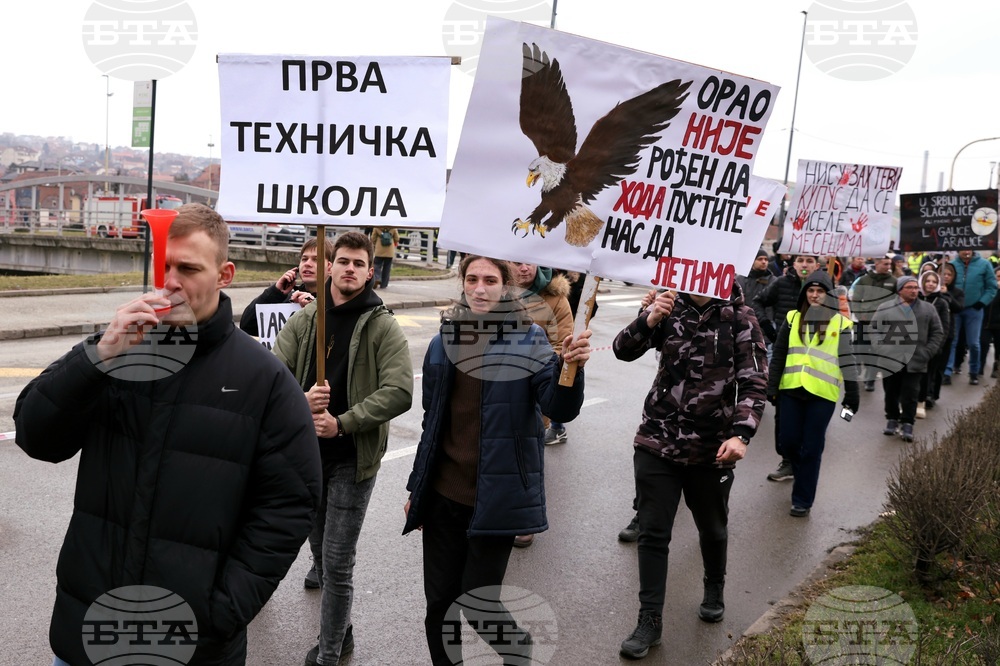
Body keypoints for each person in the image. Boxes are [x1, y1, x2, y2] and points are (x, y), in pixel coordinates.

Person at [13, 203, 322, 665]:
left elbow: (289, 504)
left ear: (226, 274)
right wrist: (97, 357)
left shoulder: (265, 381)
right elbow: (36, 436)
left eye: (189, 268)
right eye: (167, 267)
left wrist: (219, 611)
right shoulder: (118, 351)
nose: (172, 281)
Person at [403, 255, 591, 666]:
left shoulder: (531, 339)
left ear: (506, 287)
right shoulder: (442, 342)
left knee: (476, 603)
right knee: (439, 607)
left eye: (490, 279)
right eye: (472, 278)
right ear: (463, 284)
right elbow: (431, 424)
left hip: (497, 497)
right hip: (442, 496)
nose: (480, 287)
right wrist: (417, 489)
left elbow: (559, 404)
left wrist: (570, 368)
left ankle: (517, 651)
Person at [273, 231, 414, 666]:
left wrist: (342, 423)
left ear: (370, 272)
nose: (350, 269)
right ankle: (344, 632)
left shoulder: (382, 324)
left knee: (337, 562)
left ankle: (330, 653)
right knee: (318, 552)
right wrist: (301, 401)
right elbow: (273, 378)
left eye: (359, 264)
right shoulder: (305, 319)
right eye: (343, 262)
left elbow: (400, 391)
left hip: (353, 459)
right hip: (307, 457)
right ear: (329, 267)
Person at [613, 281, 767, 660]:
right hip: (657, 440)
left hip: (711, 448)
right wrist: (649, 318)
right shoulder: (667, 307)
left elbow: (754, 380)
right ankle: (649, 621)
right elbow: (622, 350)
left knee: (712, 528)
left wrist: (741, 435)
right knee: (653, 533)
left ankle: (714, 585)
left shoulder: (741, 317)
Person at [766, 271, 859, 517]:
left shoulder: (840, 323)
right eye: (811, 290)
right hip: (791, 390)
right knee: (789, 442)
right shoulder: (793, 318)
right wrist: (772, 386)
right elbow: (779, 354)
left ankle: (802, 499)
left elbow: (848, 361)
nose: (815, 295)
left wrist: (852, 395)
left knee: (812, 448)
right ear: (804, 293)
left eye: (820, 291)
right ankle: (799, 471)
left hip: (821, 395)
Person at [755, 254, 819, 482]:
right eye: (800, 260)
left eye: (810, 261)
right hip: (786, 357)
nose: (804, 264)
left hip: (815, 364)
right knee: (783, 417)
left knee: (810, 417)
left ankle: (805, 462)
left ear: (817, 266)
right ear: (793, 264)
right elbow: (758, 301)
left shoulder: (825, 290)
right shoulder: (781, 284)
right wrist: (767, 327)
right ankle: (788, 460)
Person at [871, 275, 944, 442]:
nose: (914, 290)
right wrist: (881, 348)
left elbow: (937, 332)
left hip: (916, 360)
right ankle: (892, 419)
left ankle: (908, 423)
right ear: (900, 290)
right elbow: (874, 329)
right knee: (891, 391)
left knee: (911, 393)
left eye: (916, 287)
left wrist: (927, 352)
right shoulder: (885, 307)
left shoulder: (927, 309)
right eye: (909, 287)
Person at [239, 237, 333, 337]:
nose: (307, 264)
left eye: (316, 260)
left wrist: (314, 308)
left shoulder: (337, 302)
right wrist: (275, 292)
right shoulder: (288, 299)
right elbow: (247, 327)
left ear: (330, 267)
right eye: (304, 259)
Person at [944, 250, 998, 385]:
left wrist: (981, 303)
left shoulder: (984, 264)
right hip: (955, 308)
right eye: (963, 249)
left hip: (974, 309)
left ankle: (974, 371)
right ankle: (947, 372)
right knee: (952, 341)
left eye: (969, 249)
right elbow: (945, 285)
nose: (966, 252)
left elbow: (991, 288)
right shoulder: (951, 264)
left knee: (974, 343)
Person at [849, 256, 898, 392]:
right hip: (864, 321)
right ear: (876, 264)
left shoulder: (893, 282)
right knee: (861, 348)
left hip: (882, 324)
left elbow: (897, 301)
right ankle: (860, 366)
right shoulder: (864, 280)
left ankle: (870, 380)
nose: (888, 266)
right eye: (885, 263)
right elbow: (856, 299)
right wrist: (859, 314)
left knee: (876, 351)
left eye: (889, 264)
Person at [917, 270, 952, 413]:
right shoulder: (915, 298)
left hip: (932, 345)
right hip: (915, 344)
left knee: (929, 373)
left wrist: (937, 346)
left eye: (934, 282)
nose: (930, 284)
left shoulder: (942, 302)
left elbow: (944, 326)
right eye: (928, 281)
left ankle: (925, 398)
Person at [736, 249, 775, 357]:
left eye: (766, 259)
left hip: (766, 330)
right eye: (760, 259)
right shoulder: (740, 280)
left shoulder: (774, 281)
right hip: (744, 329)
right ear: (752, 261)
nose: (764, 262)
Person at [940, 262, 966, 384]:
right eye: (943, 274)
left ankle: (946, 373)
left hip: (947, 330)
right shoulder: (930, 288)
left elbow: (959, 308)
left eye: (949, 274)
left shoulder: (957, 292)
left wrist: (947, 294)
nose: (946, 277)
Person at [979, 266, 1000, 379]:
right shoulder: (987, 289)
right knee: (983, 345)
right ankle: (979, 367)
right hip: (985, 323)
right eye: (997, 276)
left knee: (999, 348)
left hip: (998, 325)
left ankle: (996, 369)